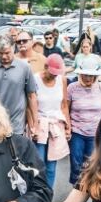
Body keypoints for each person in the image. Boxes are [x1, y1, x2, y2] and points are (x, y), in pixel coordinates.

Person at [66, 64, 101, 202]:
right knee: (76, 163)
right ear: (80, 75)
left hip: (94, 132)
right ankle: (76, 195)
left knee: (90, 164)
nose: (88, 78)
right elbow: (66, 107)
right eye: (85, 75)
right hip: (77, 130)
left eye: (91, 75)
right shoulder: (72, 87)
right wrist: (68, 127)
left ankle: (88, 194)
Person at [0, 37, 38, 138]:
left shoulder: (24, 68)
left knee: (15, 153)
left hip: (17, 124)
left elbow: (31, 96)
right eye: (0, 53)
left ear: (13, 48)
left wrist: (35, 123)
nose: (4, 56)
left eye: (7, 53)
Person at [32, 53, 70, 190]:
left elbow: (64, 105)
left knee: (52, 165)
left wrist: (68, 127)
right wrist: (33, 126)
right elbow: (31, 105)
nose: (55, 75)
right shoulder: (35, 79)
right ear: (45, 67)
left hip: (56, 124)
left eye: (57, 73)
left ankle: (48, 195)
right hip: (40, 124)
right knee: (39, 163)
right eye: (52, 72)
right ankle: (38, 194)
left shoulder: (62, 80)